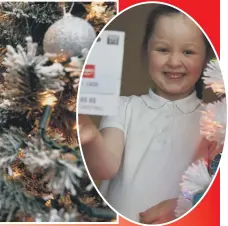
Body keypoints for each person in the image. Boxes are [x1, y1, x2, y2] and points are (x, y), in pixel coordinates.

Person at [78, 5, 214, 224]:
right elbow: (105, 167)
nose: (174, 62)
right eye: (163, 49)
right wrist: (90, 136)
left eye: (188, 52)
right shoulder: (122, 106)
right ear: (146, 52)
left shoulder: (215, 121)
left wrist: (182, 206)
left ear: (205, 59)